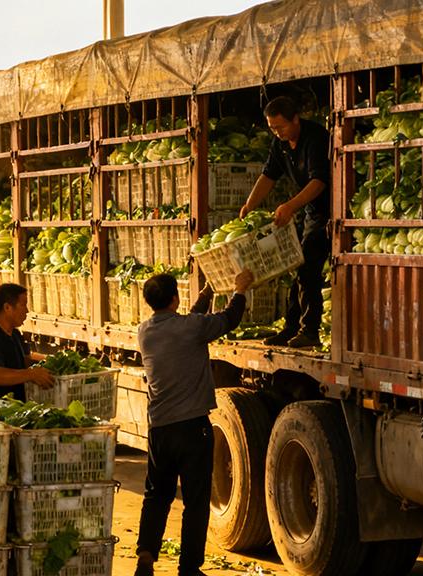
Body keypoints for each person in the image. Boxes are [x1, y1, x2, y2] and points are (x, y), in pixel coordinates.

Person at [134, 270, 253, 576]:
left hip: (159, 428)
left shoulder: (145, 330)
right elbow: (229, 319)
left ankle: (145, 555)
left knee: (156, 495)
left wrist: (206, 294)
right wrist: (240, 289)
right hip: (191, 427)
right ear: (175, 298)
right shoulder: (191, 328)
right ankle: (188, 568)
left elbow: (187, 323)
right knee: (196, 501)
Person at [240, 96, 331, 348]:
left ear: (295, 119)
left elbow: (319, 181)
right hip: (310, 210)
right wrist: (249, 205)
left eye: (280, 127)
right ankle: (291, 328)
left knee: (308, 267)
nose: (277, 132)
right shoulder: (279, 144)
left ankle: (309, 331)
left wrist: (290, 206)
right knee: (296, 264)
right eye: (272, 128)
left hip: (328, 210)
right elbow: (268, 175)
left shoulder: (315, 138)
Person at [0, 282, 54, 400]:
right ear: (7, 307)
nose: (27, 311)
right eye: (23, 305)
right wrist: (31, 374)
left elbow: (25, 362)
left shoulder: (15, 334)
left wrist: (50, 366)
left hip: (16, 410)